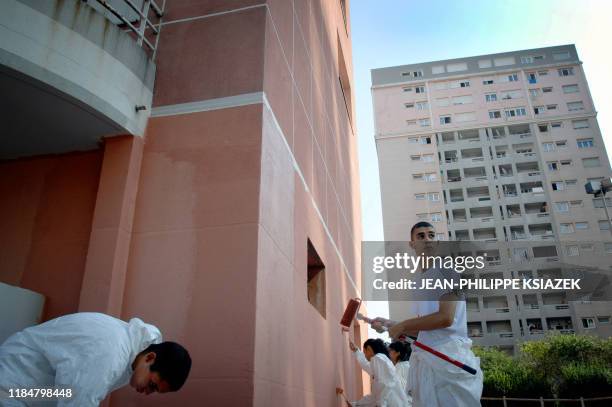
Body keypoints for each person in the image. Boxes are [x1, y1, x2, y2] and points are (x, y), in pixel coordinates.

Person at [371, 222, 483, 407]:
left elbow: (445, 318)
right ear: (412, 243)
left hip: (450, 360)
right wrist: (391, 324)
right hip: (427, 362)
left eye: (432, 235)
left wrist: (404, 325)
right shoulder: (417, 281)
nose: (427, 240)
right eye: (421, 236)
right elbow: (423, 330)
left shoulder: (448, 271)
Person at [0, 312, 191, 406]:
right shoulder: (111, 353)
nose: (148, 393)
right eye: (153, 385)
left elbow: (68, 394)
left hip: (27, 390)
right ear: (150, 358)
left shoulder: (131, 357)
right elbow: (79, 401)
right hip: (11, 380)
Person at [348, 338, 410, 406]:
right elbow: (375, 396)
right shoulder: (379, 360)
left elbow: (384, 385)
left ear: (369, 349)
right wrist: (357, 404)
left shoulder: (377, 359)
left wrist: (381, 404)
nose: (365, 356)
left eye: (365, 352)